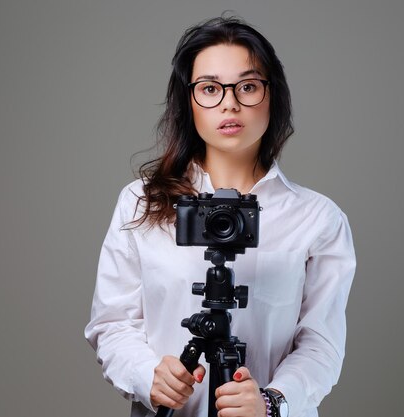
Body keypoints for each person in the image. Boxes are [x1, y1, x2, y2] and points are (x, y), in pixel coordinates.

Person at [85, 16, 356, 417]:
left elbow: (321, 344)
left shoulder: (317, 218)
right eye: (210, 88)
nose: (230, 103)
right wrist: (149, 376)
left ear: (272, 96)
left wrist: (272, 402)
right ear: (189, 101)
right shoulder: (142, 202)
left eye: (247, 86)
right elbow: (112, 324)